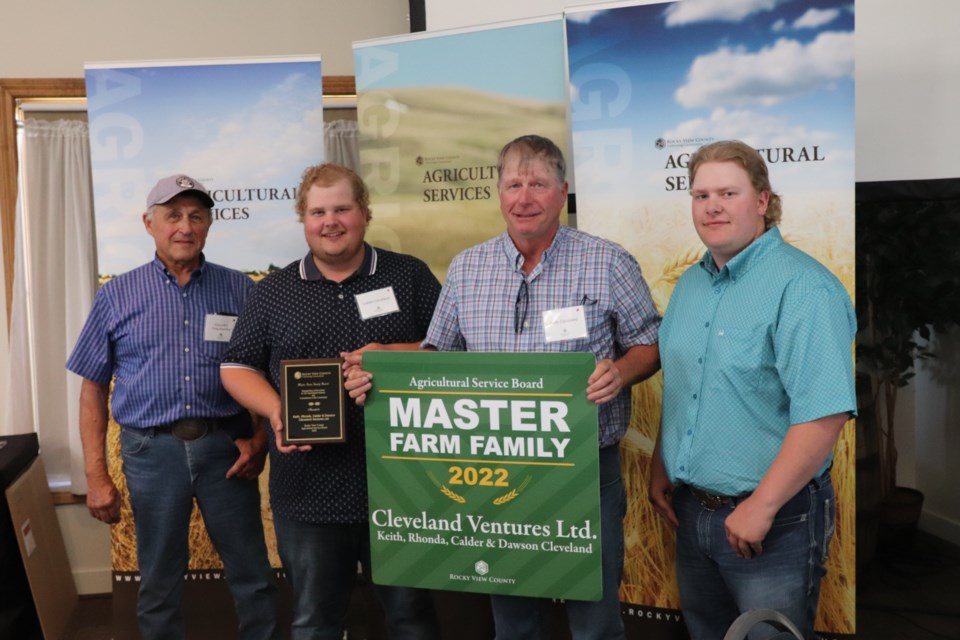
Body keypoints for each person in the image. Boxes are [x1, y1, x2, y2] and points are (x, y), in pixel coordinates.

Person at [350, 135, 661, 639]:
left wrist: (621, 372)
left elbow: (650, 345)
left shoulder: (607, 261)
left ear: (562, 192)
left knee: (595, 619)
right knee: (515, 621)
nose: (524, 197)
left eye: (538, 184)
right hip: (495, 473)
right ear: (498, 193)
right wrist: (382, 365)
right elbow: (437, 358)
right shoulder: (468, 268)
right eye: (513, 184)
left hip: (582, 469)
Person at [219, 163, 442, 640]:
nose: (331, 221)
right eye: (318, 211)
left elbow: (451, 351)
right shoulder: (273, 293)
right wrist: (277, 410)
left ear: (364, 212)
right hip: (307, 492)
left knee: (412, 620)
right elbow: (236, 366)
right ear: (304, 219)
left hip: (403, 487)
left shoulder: (409, 276)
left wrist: (393, 359)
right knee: (314, 622)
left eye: (342, 208)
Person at [648, 140, 856, 640]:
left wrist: (761, 507)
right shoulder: (691, 285)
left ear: (762, 201)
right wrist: (661, 461)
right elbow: (686, 385)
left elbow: (824, 414)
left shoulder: (802, 287)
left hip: (773, 522)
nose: (712, 206)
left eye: (727, 192)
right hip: (692, 512)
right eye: (700, 195)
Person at [66, 175, 278, 640]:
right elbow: (92, 390)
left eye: (196, 216)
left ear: (208, 225)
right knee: (159, 582)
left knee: (253, 576)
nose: (185, 226)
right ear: (149, 223)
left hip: (228, 450)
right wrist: (97, 476)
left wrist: (262, 439)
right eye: (173, 215)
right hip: (151, 454)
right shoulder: (116, 295)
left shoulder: (240, 289)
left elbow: (268, 373)